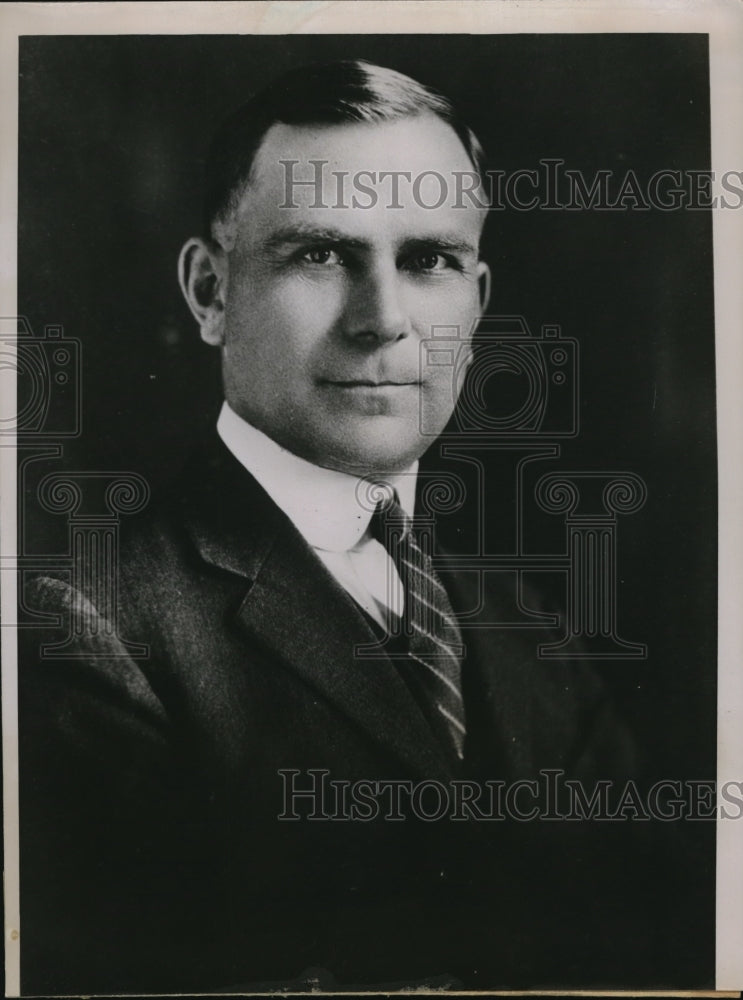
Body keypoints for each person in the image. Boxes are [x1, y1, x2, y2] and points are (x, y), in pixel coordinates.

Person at [20, 60, 664, 995]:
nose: (383, 322)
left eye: (428, 260)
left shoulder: (521, 619)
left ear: (476, 306)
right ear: (209, 293)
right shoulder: (88, 626)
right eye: (320, 253)